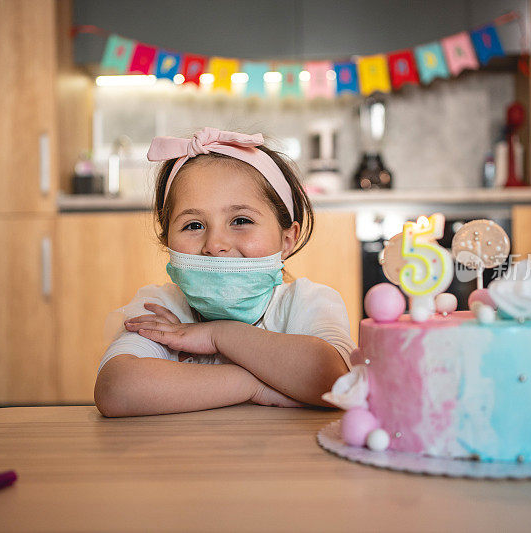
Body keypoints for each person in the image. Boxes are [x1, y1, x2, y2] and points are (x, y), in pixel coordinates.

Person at [94, 127, 355, 417]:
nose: (215, 245)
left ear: (286, 240)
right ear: (167, 240)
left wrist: (218, 335)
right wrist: (254, 386)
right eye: (193, 225)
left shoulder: (310, 302)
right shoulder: (162, 309)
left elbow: (335, 382)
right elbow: (116, 391)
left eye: (240, 220)